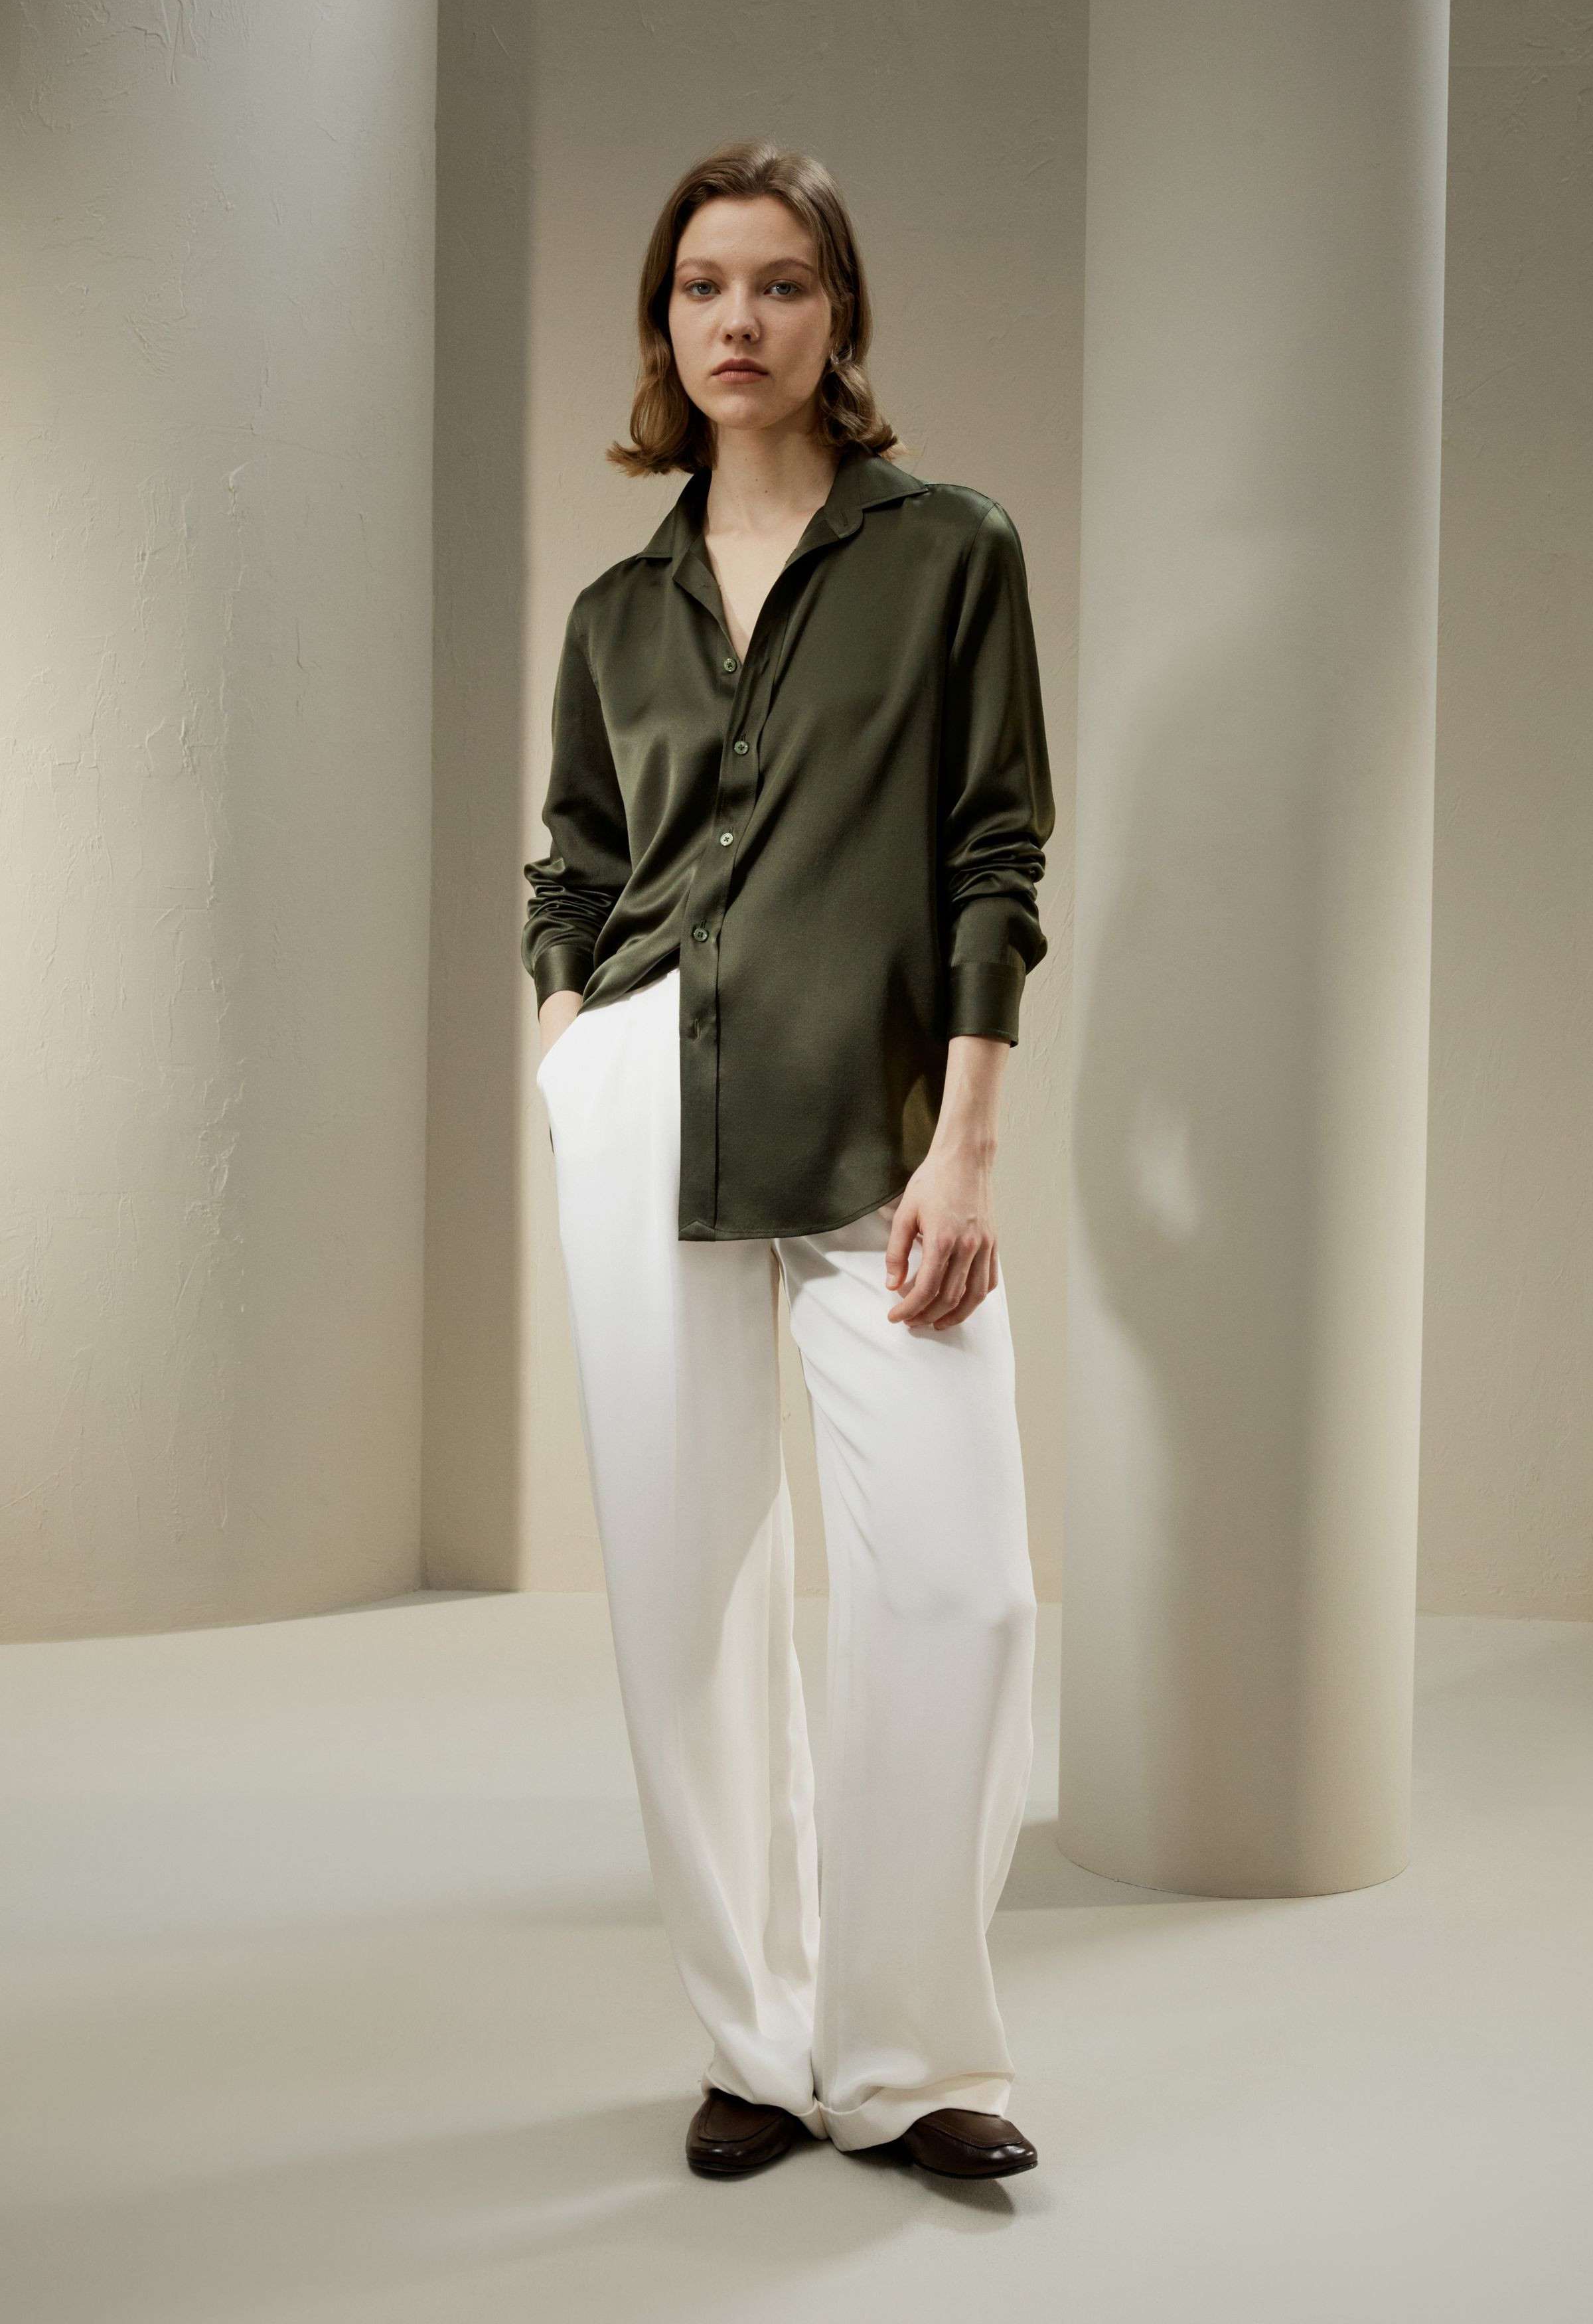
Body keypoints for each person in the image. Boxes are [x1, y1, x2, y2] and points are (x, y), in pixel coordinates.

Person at [522, 139, 1055, 2183]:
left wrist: (968, 1146)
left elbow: (994, 852)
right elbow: (578, 861)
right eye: (700, 287)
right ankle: (756, 2040)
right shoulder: (617, 612)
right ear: (662, 326)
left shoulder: (950, 552)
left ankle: (910, 2055)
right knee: (690, 1596)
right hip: (643, 1104)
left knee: (960, 1592)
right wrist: (568, 1037)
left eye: (778, 284)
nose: (736, 321)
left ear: (841, 316)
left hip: (880, 1126)